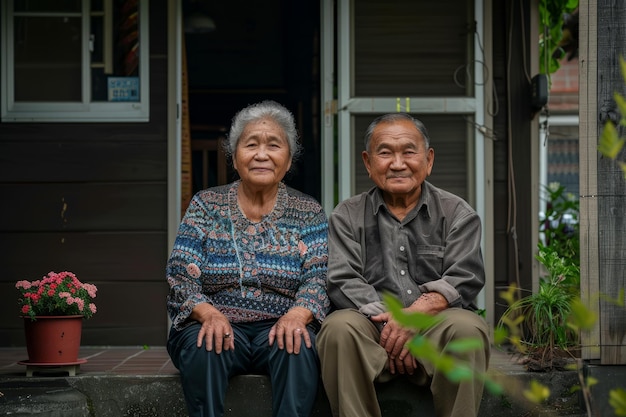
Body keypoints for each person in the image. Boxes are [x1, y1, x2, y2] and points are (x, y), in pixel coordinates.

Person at [316, 113, 490, 417]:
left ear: (429, 159)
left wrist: (416, 316)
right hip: (372, 332)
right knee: (338, 328)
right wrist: (394, 328)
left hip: (435, 330)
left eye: (409, 151)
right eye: (385, 153)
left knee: (468, 328)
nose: (398, 163)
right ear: (368, 163)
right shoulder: (347, 215)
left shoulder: (457, 213)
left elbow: (465, 276)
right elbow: (343, 279)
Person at [166, 100, 330, 417]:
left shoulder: (307, 211)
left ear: (289, 158)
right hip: (216, 319)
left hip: (282, 323)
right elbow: (179, 275)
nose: (261, 154)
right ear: (235, 155)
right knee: (205, 345)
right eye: (250, 144)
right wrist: (207, 313)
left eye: (273, 145)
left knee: (298, 346)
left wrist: (298, 314)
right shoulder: (206, 204)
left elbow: (318, 278)